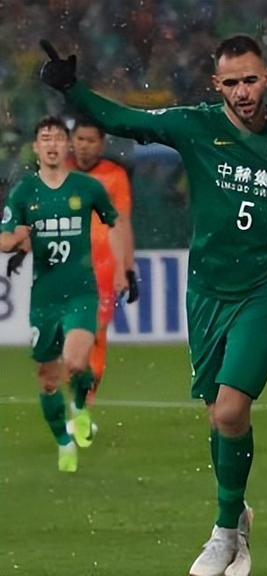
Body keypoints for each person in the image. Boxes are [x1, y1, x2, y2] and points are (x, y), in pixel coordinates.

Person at [39, 36, 267, 576]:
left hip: (265, 289)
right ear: (217, 85)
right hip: (207, 291)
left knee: (231, 410)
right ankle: (237, 519)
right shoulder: (196, 126)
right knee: (216, 416)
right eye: (231, 82)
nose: (242, 91)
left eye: (251, 79)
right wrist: (72, 89)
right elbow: (125, 120)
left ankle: (223, 531)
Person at [0, 116, 126, 472]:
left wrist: (121, 268)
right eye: (45, 138)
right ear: (36, 147)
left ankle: (81, 407)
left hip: (81, 291)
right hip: (44, 298)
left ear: (66, 145)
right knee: (47, 378)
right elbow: (5, 239)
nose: (52, 144)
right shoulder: (25, 191)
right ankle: (63, 441)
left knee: (75, 362)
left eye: (58, 138)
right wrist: (16, 238)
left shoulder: (87, 188)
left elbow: (114, 222)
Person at [68, 118, 139, 403]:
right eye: (80, 139)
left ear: (101, 144)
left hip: (103, 265)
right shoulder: (61, 172)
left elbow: (122, 222)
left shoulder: (114, 175)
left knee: (96, 331)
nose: (84, 146)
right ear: (71, 141)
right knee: (69, 332)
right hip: (67, 264)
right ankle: (78, 386)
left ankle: (85, 397)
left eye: (90, 140)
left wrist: (127, 268)